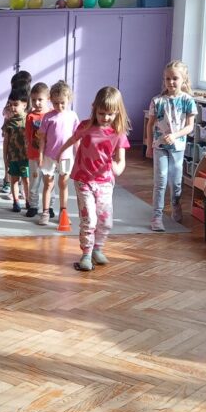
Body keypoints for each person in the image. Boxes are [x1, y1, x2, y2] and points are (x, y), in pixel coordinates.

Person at [59, 86, 131, 272]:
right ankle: (86, 253)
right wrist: (60, 153)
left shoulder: (118, 133)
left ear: (117, 112)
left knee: (105, 221)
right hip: (83, 180)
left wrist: (117, 168)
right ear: (94, 109)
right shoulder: (85, 126)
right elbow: (72, 140)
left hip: (105, 182)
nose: (105, 118)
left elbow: (121, 161)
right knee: (89, 219)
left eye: (110, 114)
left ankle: (97, 248)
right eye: (101, 113)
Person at [145, 59, 197, 231]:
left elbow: (189, 127)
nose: (171, 82)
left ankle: (176, 205)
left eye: (175, 78)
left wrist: (175, 136)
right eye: (167, 79)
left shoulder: (188, 100)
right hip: (159, 146)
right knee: (160, 181)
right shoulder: (157, 101)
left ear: (183, 80)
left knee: (175, 183)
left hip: (178, 147)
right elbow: (150, 124)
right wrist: (149, 145)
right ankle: (157, 216)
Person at [36, 80, 80, 227]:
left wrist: (79, 154)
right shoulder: (48, 117)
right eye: (55, 103)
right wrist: (40, 155)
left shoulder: (72, 116)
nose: (59, 106)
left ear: (68, 100)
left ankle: (63, 212)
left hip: (66, 157)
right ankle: (45, 212)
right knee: (48, 184)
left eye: (62, 103)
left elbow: (77, 138)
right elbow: (42, 139)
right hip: (49, 156)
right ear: (51, 100)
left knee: (63, 184)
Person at [24, 82, 55, 218]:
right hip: (34, 155)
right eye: (33, 100)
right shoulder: (30, 116)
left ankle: (50, 206)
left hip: (49, 156)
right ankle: (33, 206)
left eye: (40, 99)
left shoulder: (52, 114)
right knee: (34, 182)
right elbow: (27, 136)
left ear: (48, 98)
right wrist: (28, 151)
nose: (36, 103)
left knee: (50, 183)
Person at [1, 71, 32, 192]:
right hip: (11, 132)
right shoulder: (12, 101)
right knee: (10, 156)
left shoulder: (28, 101)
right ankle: (7, 178)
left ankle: (21, 184)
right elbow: (6, 114)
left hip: (24, 138)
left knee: (23, 162)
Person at [2, 89, 29, 212]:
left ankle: (28, 201)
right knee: (14, 180)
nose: (12, 107)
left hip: (26, 157)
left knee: (26, 180)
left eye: (16, 104)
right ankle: (16, 201)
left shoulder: (29, 120)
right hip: (13, 157)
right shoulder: (9, 122)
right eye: (10, 104)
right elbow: (6, 141)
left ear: (24, 104)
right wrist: (5, 157)